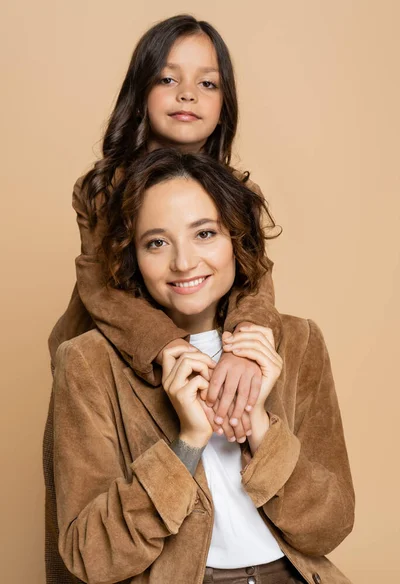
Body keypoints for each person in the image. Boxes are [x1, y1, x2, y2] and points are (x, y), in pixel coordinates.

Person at [44, 15, 282, 581]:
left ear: (225, 102)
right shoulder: (104, 188)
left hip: (203, 355)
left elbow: (256, 277)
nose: (187, 95)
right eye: (168, 78)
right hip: (120, 366)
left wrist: (246, 347)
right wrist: (166, 346)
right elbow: (101, 289)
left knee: (207, 495)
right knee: (99, 522)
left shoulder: (234, 194)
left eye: (208, 82)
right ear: (140, 90)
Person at [53, 149, 355, 584]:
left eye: (205, 234)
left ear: (236, 237)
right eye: (156, 242)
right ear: (131, 255)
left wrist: (259, 428)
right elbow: (90, 556)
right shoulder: (88, 363)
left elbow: (332, 525)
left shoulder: (298, 341)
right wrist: (188, 443)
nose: (183, 261)